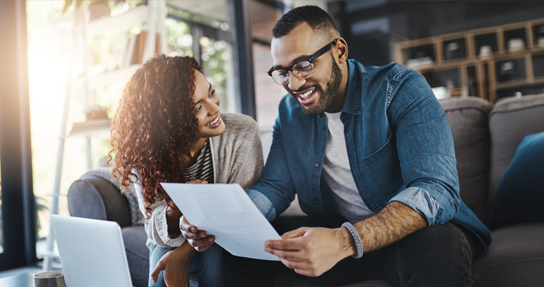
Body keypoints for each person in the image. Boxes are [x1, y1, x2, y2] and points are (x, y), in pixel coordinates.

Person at [180, 6, 492, 287]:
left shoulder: (400, 89)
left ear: (339, 50)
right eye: (283, 72)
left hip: (409, 236)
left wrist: (345, 240)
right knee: (223, 251)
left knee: (437, 241)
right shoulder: (289, 115)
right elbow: (275, 187)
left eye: (303, 65)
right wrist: (220, 221)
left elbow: (435, 189)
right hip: (339, 236)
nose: (295, 83)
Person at [109, 55, 263, 287]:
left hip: (224, 237)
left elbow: (239, 212)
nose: (215, 108)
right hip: (172, 238)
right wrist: (173, 211)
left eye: (211, 93)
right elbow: (154, 230)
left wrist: (181, 256)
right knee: (160, 262)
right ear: (170, 120)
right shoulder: (147, 154)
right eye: (198, 107)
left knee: (212, 254)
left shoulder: (242, 132)